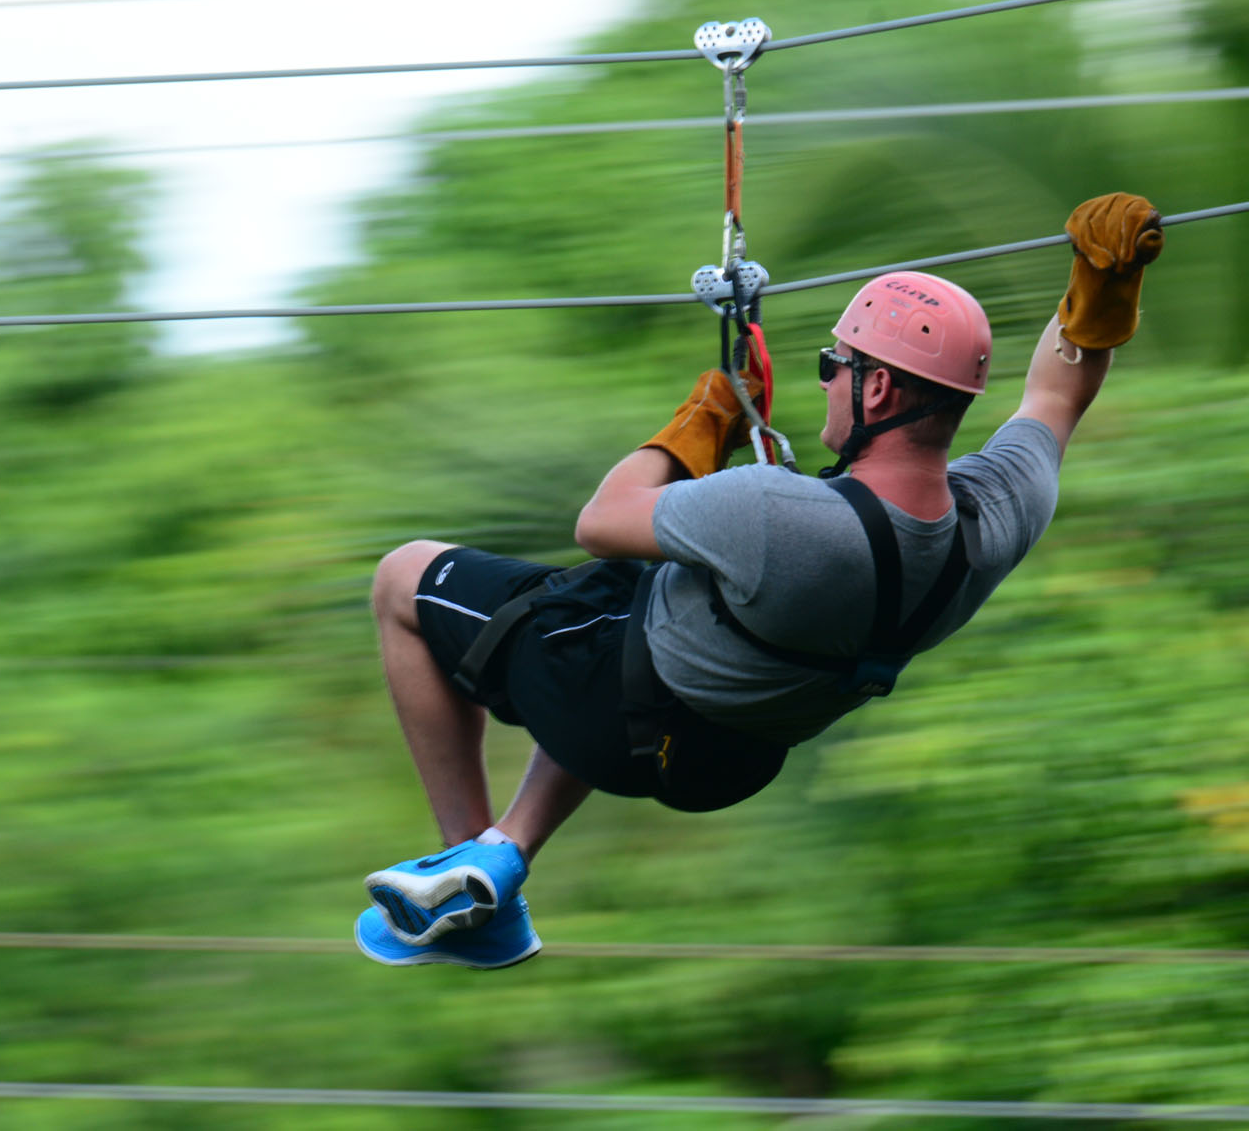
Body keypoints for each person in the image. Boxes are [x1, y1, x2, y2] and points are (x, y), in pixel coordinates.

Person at [355, 192, 1165, 968]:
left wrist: (706, 417)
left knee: (405, 579)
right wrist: (1104, 294)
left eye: (832, 364)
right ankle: (508, 850)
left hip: (616, 706)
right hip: (726, 760)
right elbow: (1057, 395)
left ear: (876, 387)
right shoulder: (993, 524)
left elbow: (603, 515)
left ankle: (468, 886)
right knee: (619, 597)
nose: (822, 380)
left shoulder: (775, 511)